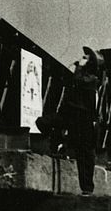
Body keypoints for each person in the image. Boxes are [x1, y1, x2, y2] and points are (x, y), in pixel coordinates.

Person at [35, 47, 101, 194]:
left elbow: (78, 81)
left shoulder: (91, 79)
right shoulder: (83, 77)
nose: (82, 58)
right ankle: (54, 142)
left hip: (82, 120)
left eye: (86, 57)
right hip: (71, 116)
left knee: (84, 155)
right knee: (43, 122)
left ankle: (87, 189)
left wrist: (79, 66)